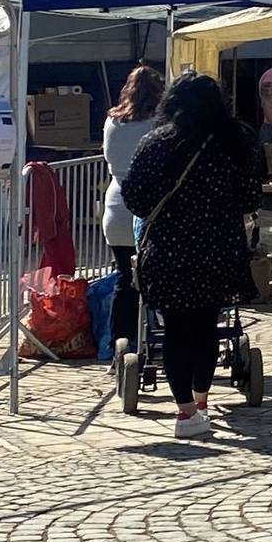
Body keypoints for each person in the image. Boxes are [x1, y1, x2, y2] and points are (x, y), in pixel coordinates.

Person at [118, 72, 263, 440]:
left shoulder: (156, 143)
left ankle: (184, 412)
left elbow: (133, 198)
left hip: (169, 251)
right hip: (218, 250)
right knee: (206, 325)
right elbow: (250, 199)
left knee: (177, 330)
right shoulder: (237, 141)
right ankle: (201, 401)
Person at [100, 63, 163, 363]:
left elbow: (108, 156)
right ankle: (155, 339)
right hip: (149, 209)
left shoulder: (112, 121)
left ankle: (118, 345)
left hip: (116, 205)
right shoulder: (159, 124)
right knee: (157, 279)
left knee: (125, 279)